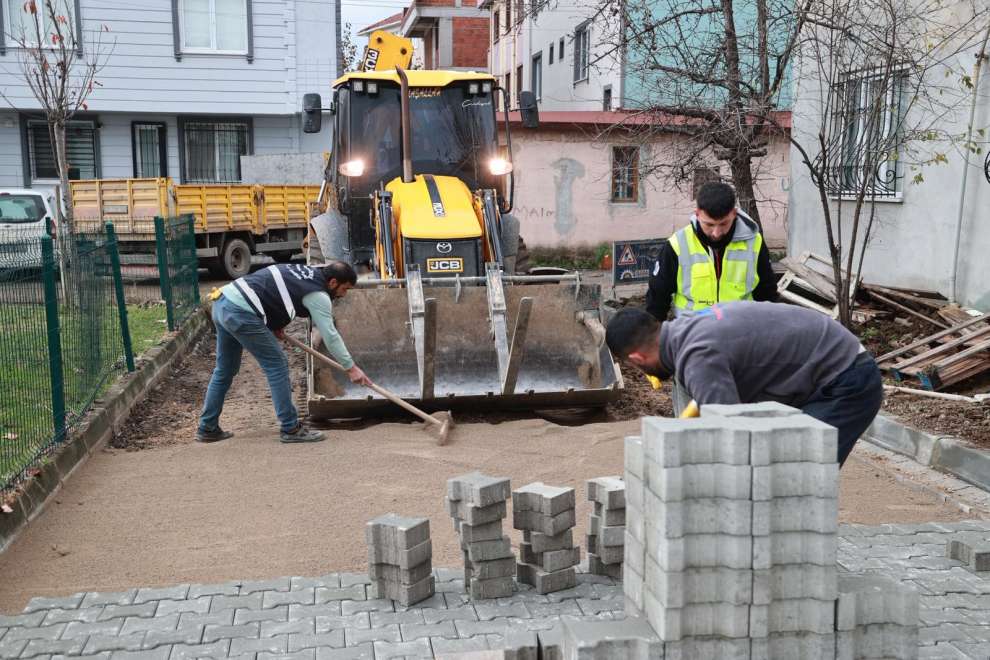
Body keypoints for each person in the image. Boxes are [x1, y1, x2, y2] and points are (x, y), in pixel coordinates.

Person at [605, 302, 883, 466]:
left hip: (847, 381)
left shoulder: (697, 356)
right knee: (782, 468)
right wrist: (674, 432)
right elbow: (708, 401)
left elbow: (729, 430)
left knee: (797, 473)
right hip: (830, 365)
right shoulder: (685, 328)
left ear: (637, 358)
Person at [197, 261, 371, 444]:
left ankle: (207, 428)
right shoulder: (319, 295)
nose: (343, 295)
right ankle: (291, 428)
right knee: (277, 365)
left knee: (224, 370)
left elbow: (277, 290)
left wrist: (275, 324)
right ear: (333, 282)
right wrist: (351, 368)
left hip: (222, 302)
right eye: (344, 289)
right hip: (240, 312)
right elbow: (330, 335)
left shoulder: (307, 273)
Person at [645, 182, 778, 322]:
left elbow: (767, 294)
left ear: (734, 213)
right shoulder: (676, 245)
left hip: (741, 330)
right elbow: (657, 299)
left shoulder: (754, 242)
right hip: (692, 330)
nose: (716, 233)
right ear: (697, 214)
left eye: (723, 224)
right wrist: (652, 333)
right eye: (709, 224)